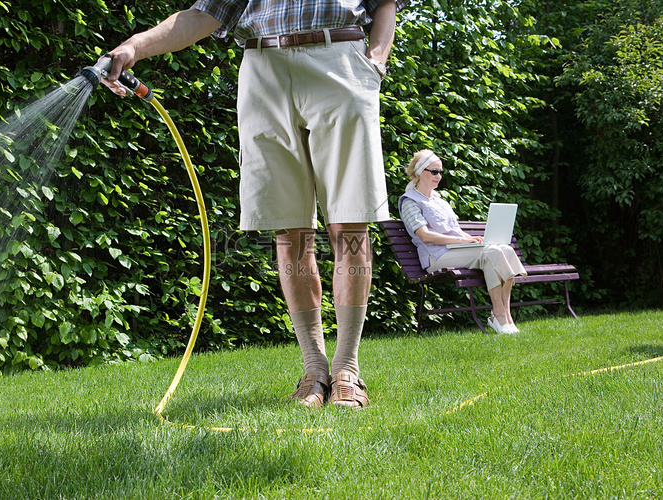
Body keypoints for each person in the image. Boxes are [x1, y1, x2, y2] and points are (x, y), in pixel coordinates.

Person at [103, 1, 408, 408]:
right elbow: (198, 17)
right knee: (289, 229)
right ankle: (315, 369)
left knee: (350, 224)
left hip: (341, 64)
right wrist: (132, 48)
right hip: (263, 71)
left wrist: (376, 64)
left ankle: (347, 368)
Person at [398, 150, 527, 334]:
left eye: (440, 172)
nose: (438, 176)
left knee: (503, 249)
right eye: (434, 171)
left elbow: (455, 229)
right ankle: (498, 315)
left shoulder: (440, 201)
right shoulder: (410, 201)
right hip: (436, 256)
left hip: (455, 251)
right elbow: (425, 236)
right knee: (493, 253)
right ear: (419, 172)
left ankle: (504, 316)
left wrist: (471, 239)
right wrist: (461, 240)